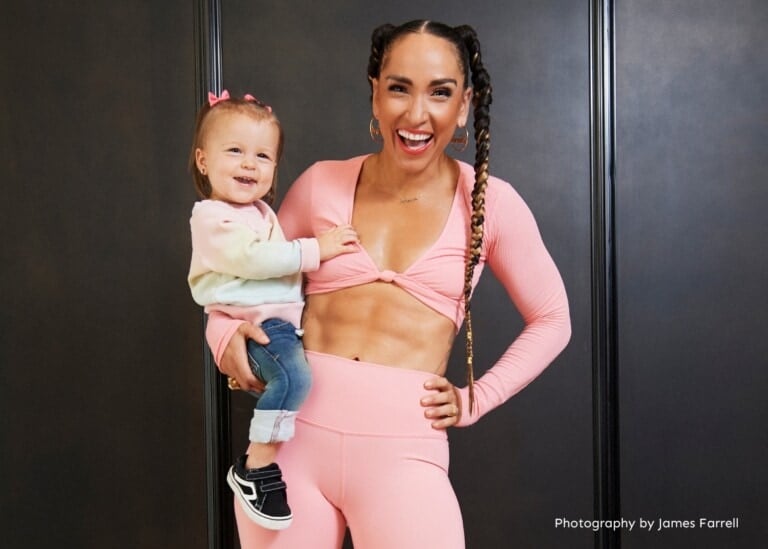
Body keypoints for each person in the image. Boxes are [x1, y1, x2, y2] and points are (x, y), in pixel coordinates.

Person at [206, 20, 571, 548]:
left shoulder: (491, 204)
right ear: (375, 93)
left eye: (440, 93)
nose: (416, 114)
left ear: (464, 105)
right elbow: (240, 276)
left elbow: (553, 319)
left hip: (403, 454)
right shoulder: (319, 183)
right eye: (399, 87)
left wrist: (478, 398)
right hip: (290, 448)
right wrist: (224, 341)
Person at [187, 90, 358, 530]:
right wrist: (315, 249)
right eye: (235, 151)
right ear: (203, 161)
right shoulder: (211, 217)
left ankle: (260, 461)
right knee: (295, 378)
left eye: (263, 156)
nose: (250, 164)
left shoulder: (261, 211)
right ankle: (256, 464)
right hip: (258, 324)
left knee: (295, 379)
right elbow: (251, 261)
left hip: (276, 322)